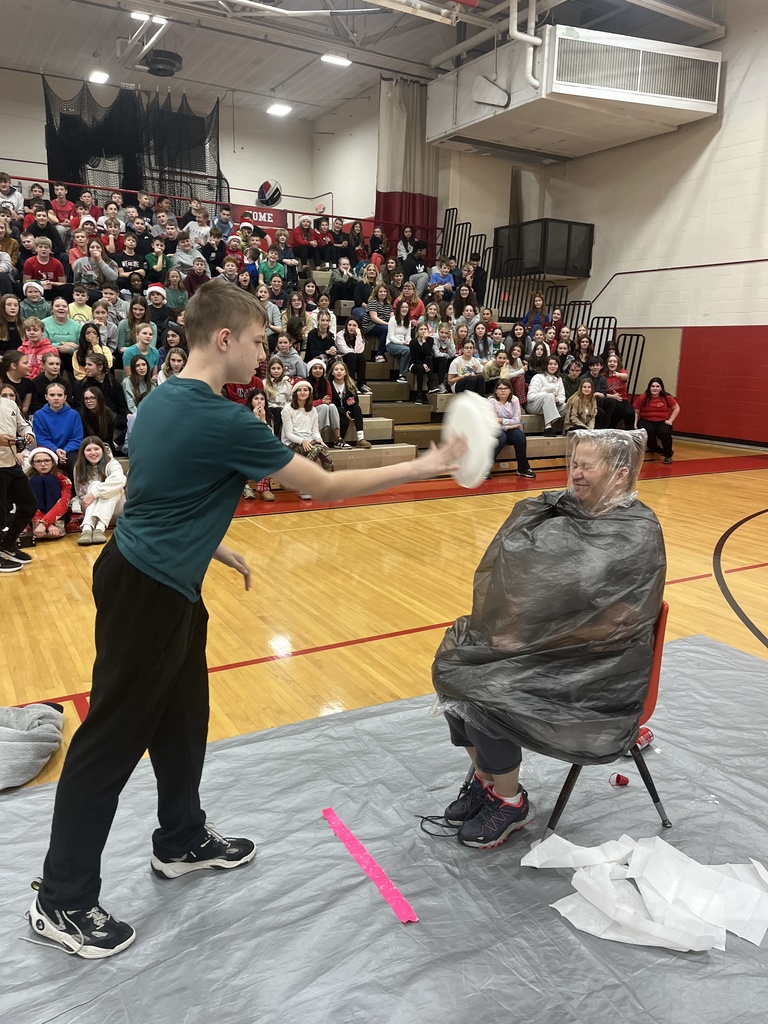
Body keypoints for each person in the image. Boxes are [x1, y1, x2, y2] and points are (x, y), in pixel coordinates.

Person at [30, 279, 463, 960]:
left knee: (183, 719)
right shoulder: (223, 416)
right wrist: (429, 460)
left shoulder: (167, 397)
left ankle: (180, 839)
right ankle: (61, 898)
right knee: (109, 742)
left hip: (159, 580)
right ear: (225, 338)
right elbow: (322, 486)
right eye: (260, 340)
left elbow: (155, 489)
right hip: (148, 590)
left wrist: (214, 542)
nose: (267, 353)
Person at [432, 429, 665, 848]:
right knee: (455, 664)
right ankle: (489, 783)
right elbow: (529, 586)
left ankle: (509, 801)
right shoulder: (562, 513)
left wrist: (527, 643)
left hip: (598, 668)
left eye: (586, 466)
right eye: (572, 463)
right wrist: (512, 634)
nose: (574, 474)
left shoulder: (635, 530)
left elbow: (620, 621)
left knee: (486, 691)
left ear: (619, 472)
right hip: (548, 648)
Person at [0, 393, 37, 570]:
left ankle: (6, 545)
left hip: (12, 462)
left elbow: (24, 425)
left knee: (29, 505)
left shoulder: (8, 404)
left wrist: (28, 433)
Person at [72, 436, 127, 546]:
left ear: (102, 450)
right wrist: (92, 495)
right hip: (90, 511)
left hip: (115, 510)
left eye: (96, 449)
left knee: (107, 487)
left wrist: (94, 493)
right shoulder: (78, 467)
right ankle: (88, 529)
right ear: (83, 453)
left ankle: (99, 528)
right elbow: (81, 495)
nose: (93, 453)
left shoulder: (112, 463)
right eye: (88, 450)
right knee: (95, 484)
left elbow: (121, 480)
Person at [488, 379, 536, 479]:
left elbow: (517, 419)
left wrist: (501, 421)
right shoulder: (491, 401)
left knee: (520, 436)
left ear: (510, 390)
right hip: (493, 430)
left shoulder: (514, 400)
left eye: (505, 388)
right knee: (501, 437)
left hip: (508, 429)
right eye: (500, 388)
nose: (503, 391)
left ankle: (523, 468)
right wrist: (510, 425)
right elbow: (492, 422)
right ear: (495, 391)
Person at [25, 446, 72, 541]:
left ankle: (57, 524)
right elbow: (28, 504)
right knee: (35, 480)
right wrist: (42, 523)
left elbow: (63, 503)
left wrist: (46, 523)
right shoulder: (26, 481)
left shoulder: (64, 480)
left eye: (47, 460)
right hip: (36, 519)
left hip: (58, 517)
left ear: (53, 463)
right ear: (33, 464)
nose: (43, 464)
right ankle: (38, 525)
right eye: (38, 461)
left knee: (50, 479)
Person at [633, 377, 680, 464]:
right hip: (646, 420)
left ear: (661, 388)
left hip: (662, 421)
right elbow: (636, 411)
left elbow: (676, 408)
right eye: (653, 386)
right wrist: (635, 424)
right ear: (649, 387)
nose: (655, 388)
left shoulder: (666, 397)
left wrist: (670, 420)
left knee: (665, 432)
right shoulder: (643, 397)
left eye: (657, 386)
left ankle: (668, 455)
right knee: (648, 430)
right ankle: (658, 450)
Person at [328, 359, 371, 449]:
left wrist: (352, 401)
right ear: (332, 372)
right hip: (336, 411)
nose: (339, 372)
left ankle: (360, 438)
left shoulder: (350, 384)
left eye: (341, 369)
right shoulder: (328, 385)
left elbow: (356, 400)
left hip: (348, 409)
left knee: (357, 408)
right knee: (344, 420)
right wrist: (343, 412)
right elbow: (329, 403)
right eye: (336, 369)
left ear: (345, 373)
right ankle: (338, 440)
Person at [526, 356, 566, 434]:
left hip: (553, 405)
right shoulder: (538, 377)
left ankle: (566, 430)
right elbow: (530, 397)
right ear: (546, 365)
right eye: (550, 364)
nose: (553, 366)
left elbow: (562, 397)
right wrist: (547, 396)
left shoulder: (559, 379)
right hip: (534, 406)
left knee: (567, 406)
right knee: (549, 396)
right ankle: (548, 427)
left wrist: (557, 400)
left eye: (555, 364)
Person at [334, 317, 370, 394]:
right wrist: (354, 352)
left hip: (354, 358)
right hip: (342, 358)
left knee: (361, 357)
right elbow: (344, 350)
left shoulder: (360, 336)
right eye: (349, 325)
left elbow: (359, 351)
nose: (351, 327)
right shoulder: (340, 334)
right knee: (352, 356)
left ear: (358, 327)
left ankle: (361, 384)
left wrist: (358, 335)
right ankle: (351, 383)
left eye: (354, 325)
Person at [386, 300, 412, 382]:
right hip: (391, 344)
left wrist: (409, 342)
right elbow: (391, 337)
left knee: (413, 348)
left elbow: (408, 336)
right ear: (398, 309)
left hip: (403, 343)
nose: (405, 309)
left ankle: (411, 371)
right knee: (407, 350)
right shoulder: (393, 320)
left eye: (406, 307)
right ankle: (402, 374)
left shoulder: (408, 321)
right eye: (402, 307)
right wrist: (402, 342)